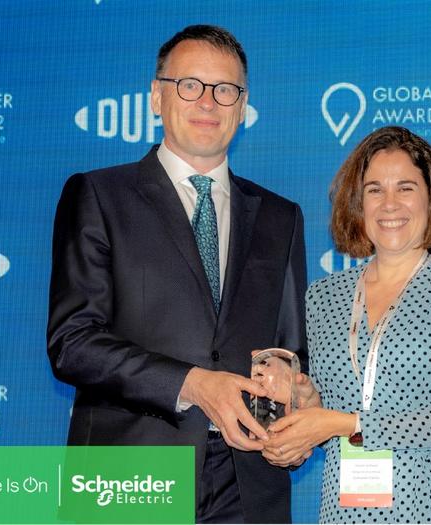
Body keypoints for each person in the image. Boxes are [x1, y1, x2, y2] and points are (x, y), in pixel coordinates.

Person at [47, 25, 307, 524]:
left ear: (242, 106)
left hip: (248, 485)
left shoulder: (281, 217)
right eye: (190, 85)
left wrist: (296, 401)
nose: (208, 101)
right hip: (131, 478)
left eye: (225, 89)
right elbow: (73, 343)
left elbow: (290, 352)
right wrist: (193, 384)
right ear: (156, 97)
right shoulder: (99, 196)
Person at [261, 126, 431, 523]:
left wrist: (343, 422)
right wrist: (306, 407)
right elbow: (330, 413)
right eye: (375, 190)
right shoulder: (323, 296)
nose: (390, 204)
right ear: (357, 203)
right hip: (346, 511)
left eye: (405, 188)